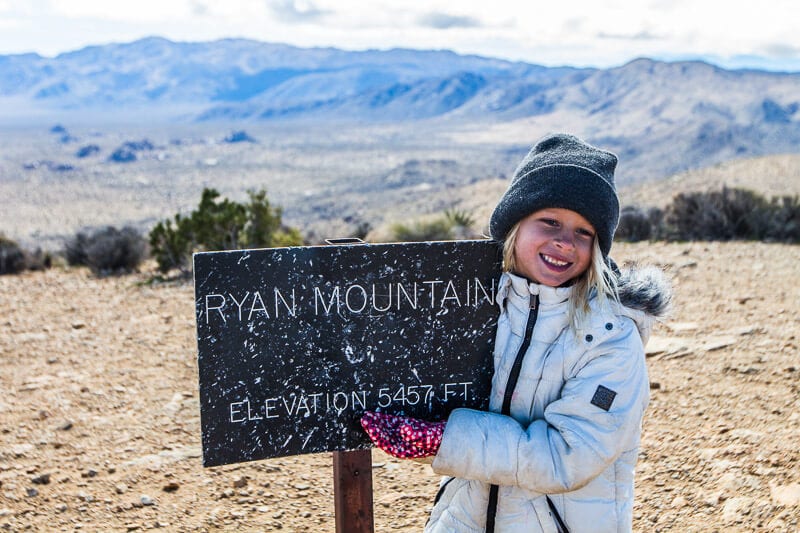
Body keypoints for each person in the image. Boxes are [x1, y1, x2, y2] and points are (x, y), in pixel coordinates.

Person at [361, 133, 672, 532]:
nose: (564, 242)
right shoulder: (478, 306)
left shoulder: (610, 336)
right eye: (550, 222)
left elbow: (569, 454)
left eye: (583, 232)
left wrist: (442, 440)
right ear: (515, 224)